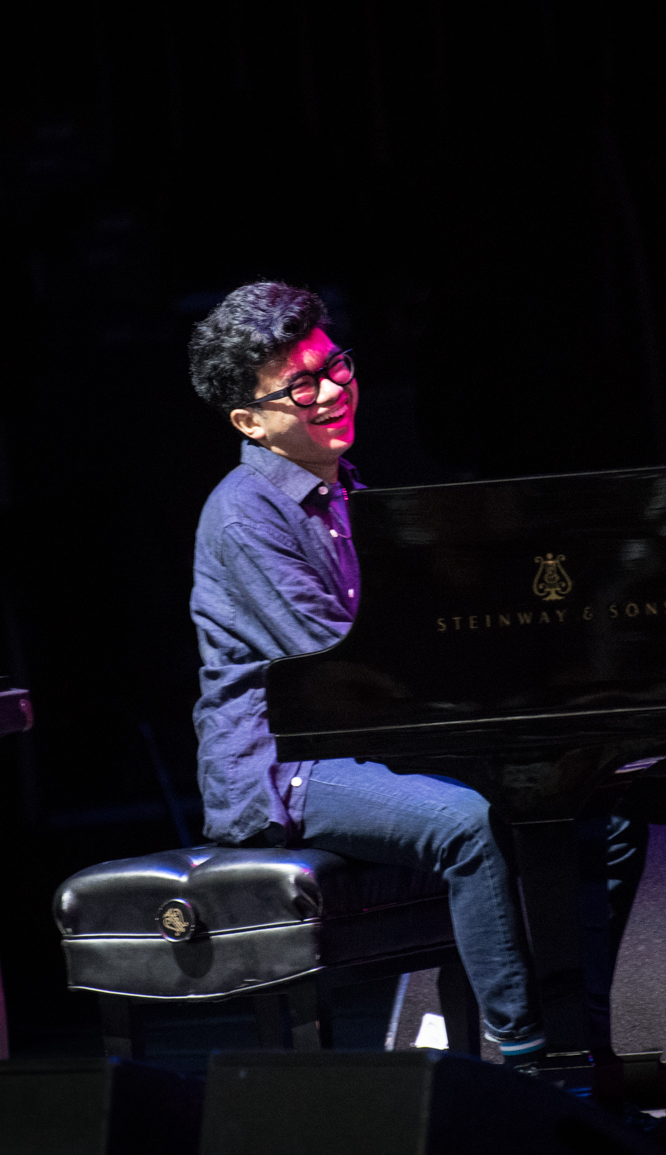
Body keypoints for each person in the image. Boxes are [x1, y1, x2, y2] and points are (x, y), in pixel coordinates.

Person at [186, 281, 547, 1068]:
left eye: (334, 366)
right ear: (249, 421)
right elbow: (348, 660)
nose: (332, 391)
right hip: (286, 763)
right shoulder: (245, 512)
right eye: (300, 385)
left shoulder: (349, 489)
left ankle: (580, 1030)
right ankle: (527, 1061)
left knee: (597, 810)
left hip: (362, 736)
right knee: (472, 826)